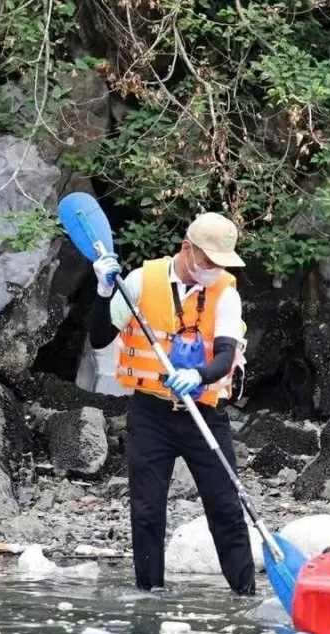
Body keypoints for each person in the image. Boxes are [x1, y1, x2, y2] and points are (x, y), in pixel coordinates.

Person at [86, 212, 254, 596]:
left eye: (221, 263)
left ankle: (244, 595)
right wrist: (101, 291)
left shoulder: (226, 293)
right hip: (151, 414)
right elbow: (98, 337)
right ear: (186, 249)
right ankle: (150, 597)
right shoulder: (140, 282)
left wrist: (199, 375)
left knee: (226, 508)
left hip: (204, 415)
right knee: (146, 514)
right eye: (209, 260)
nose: (215, 269)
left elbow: (226, 355)